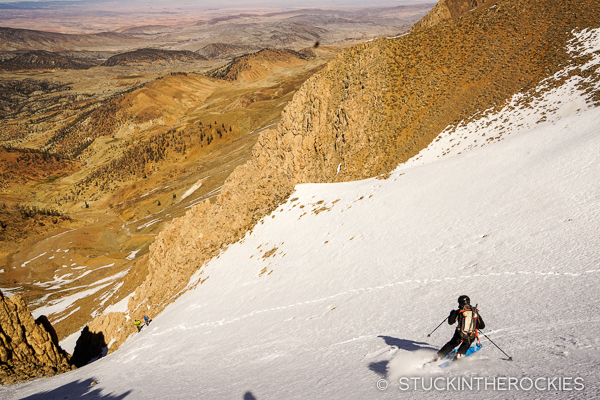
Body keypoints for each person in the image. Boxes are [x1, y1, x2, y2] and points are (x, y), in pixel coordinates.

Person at [433, 295, 485, 361]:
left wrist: (452, 313)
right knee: (467, 342)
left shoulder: (458, 311)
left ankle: (440, 356)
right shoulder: (474, 311)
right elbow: (482, 326)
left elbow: (450, 322)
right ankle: (460, 354)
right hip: (471, 334)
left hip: (460, 333)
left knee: (453, 343)